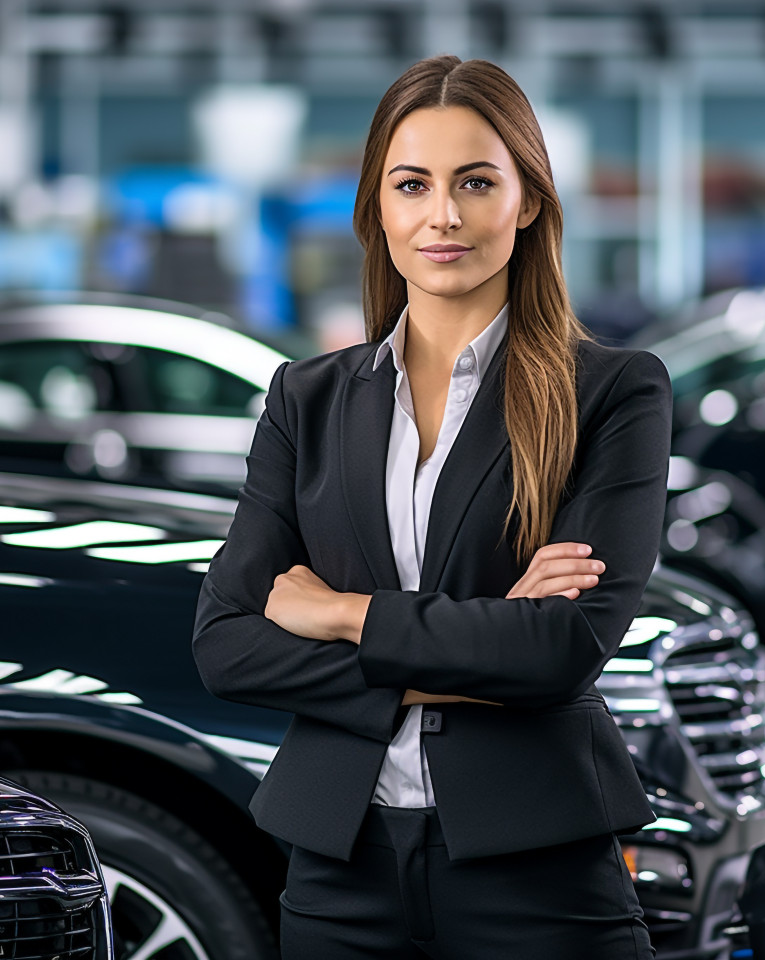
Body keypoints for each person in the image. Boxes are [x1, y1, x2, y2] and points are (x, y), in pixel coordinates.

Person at [193, 54, 671, 960]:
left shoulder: (611, 392)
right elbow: (227, 645)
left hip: (536, 864)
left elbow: (561, 650)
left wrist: (342, 615)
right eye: (412, 184)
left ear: (527, 202)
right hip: (339, 868)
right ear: (377, 209)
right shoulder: (306, 398)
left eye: (476, 182)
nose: (442, 214)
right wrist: (483, 645)